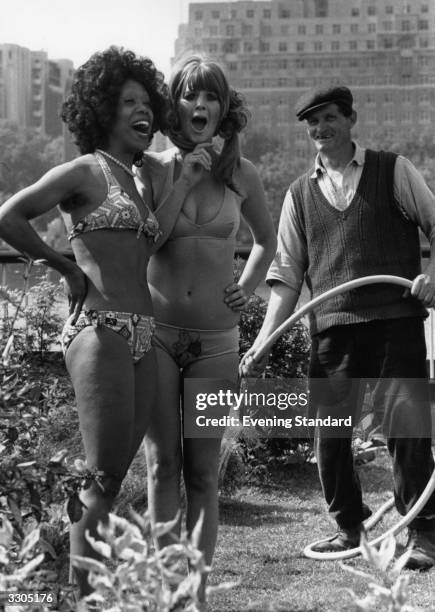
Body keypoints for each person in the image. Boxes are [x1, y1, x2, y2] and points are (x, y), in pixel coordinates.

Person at [0, 46, 211, 597]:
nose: (143, 111)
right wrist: (64, 267)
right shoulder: (83, 170)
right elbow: (9, 216)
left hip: (145, 335)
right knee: (99, 479)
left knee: (113, 482)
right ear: (103, 110)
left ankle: (86, 591)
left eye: (147, 102)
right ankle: (79, 599)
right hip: (101, 330)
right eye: (129, 102)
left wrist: (185, 184)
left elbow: (154, 240)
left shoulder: (137, 182)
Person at [241, 84, 435, 570]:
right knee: (329, 434)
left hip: (395, 319)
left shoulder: (394, 170)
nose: (320, 129)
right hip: (332, 328)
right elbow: (285, 276)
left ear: (351, 119)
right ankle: (348, 524)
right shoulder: (299, 194)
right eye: (312, 123)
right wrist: (265, 340)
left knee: (406, 427)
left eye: (329, 118)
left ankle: (424, 533)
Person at [135, 55, 276, 604]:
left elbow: (266, 239)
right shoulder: (152, 168)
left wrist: (248, 285)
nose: (201, 106)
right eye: (190, 96)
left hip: (217, 341)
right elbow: (147, 241)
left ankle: (195, 591)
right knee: (160, 464)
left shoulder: (244, 174)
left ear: (223, 108)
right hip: (159, 335)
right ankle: (165, 588)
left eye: (210, 96)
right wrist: (186, 173)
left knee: (202, 474)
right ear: (176, 106)